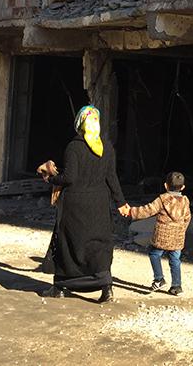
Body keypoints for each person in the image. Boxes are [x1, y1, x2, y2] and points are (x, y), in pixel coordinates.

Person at [41, 105, 130, 303]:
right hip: (99, 204)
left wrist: (51, 179)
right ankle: (106, 288)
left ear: (80, 123)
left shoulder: (74, 147)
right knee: (99, 244)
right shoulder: (106, 147)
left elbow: (69, 177)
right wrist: (121, 203)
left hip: (75, 205)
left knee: (69, 242)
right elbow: (111, 177)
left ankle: (61, 287)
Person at [125, 171, 191, 296]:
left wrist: (131, 212)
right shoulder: (185, 202)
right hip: (177, 237)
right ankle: (177, 286)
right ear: (183, 187)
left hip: (162, 236)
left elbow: (148, 210)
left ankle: (159, 279)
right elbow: (187, 218)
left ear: (166, 186)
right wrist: (181, 230)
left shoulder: (162, 199)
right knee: (175, 259)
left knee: (154, 254)